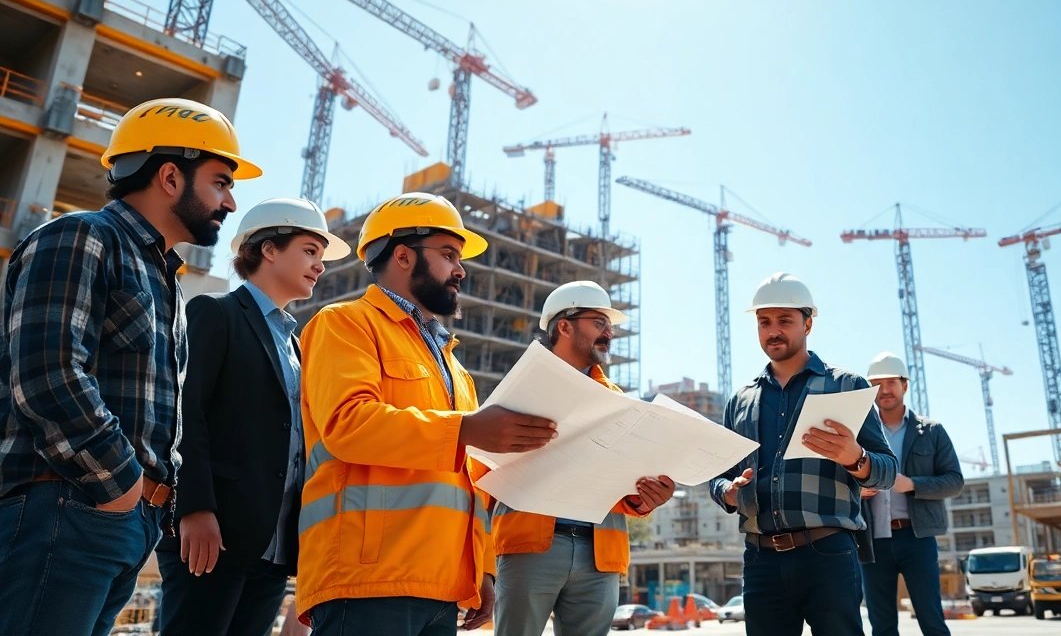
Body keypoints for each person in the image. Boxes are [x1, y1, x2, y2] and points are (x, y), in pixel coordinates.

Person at [0, 98, 260, 636]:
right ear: (169, 176)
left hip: (117, 521)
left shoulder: (166, 282)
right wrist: (121, 488)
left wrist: (142, 509)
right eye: (220, 182)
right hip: (66, 507)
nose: (230, 202)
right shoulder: (81, 237)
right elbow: (50, 375)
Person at [297, 192, 559, 636]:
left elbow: (471, 480)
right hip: (366, 579)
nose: (460, 269)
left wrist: (484, 570)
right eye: (448, 254)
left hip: (441, 586)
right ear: (402, 255)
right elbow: (348, 424)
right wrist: (467, 428)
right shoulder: (345, 323)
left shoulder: (455, 369)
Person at [155, 198, 350, 636]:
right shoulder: (216, 312)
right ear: (268, 250)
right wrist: (195, 508)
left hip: (274, 547)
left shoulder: (296, 345)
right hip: (212, 537)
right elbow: (188, 413)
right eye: (309, 250)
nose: (319, 266)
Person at [709, 273, 898, 636]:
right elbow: (718, 475)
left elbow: (887, 471)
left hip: (827, 554)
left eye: (785, 321)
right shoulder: (740, 401)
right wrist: (727, 492)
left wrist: (854, 457)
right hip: (760, 560)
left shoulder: (846, 386)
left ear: (808, 323)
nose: (773, 331)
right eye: (764, 322)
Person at [490, 281, 676, 636]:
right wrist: (481, 565)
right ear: (564, 326)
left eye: (610, 325)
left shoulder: (620, 402)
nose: (609, 333)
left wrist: (644, 498)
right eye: (599, 323)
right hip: (530, 549)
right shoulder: (521, 389)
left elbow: (623, 483)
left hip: (600, 553)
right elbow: (485, 475)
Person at [858, 353, 963, 636]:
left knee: (931, 621)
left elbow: (954, 481)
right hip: (872, 542)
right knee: (881, 627)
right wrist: (857, 490)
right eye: (876, 384)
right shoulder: (858, 435)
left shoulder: (931, 431)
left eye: (891, 382)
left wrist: (912, 484)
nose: (884, 390)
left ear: (905, 385)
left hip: (917, 540)